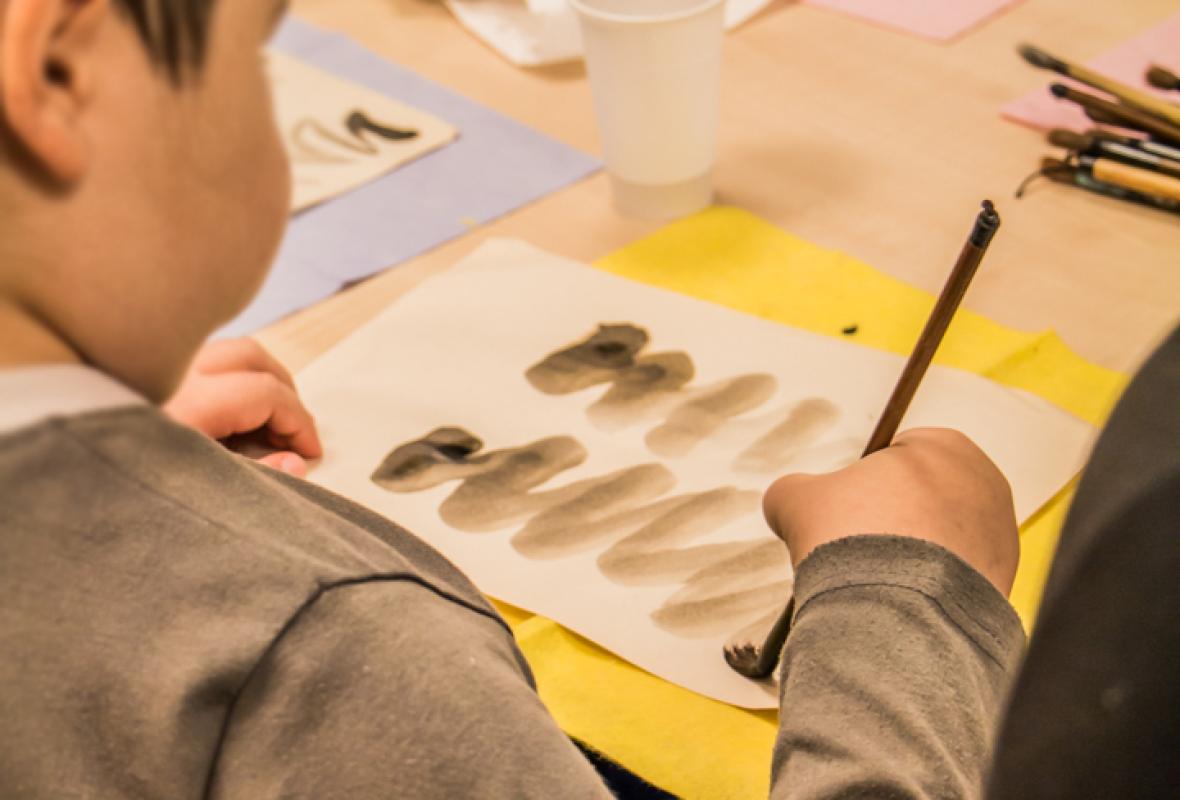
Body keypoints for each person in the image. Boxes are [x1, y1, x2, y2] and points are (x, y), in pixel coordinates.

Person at [0, 0, 1173, 797]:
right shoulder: (332, 660)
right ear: (57, 69)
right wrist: (905, 605)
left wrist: (101, 454)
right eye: (253, 55)